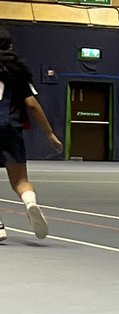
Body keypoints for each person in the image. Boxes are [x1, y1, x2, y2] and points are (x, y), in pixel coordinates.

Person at [0, 26, 63, 242]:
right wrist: (50, 134)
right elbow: (32, 104)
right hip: (11, 128)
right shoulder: (18, 73)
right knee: (20, 181)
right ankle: (30, 202)